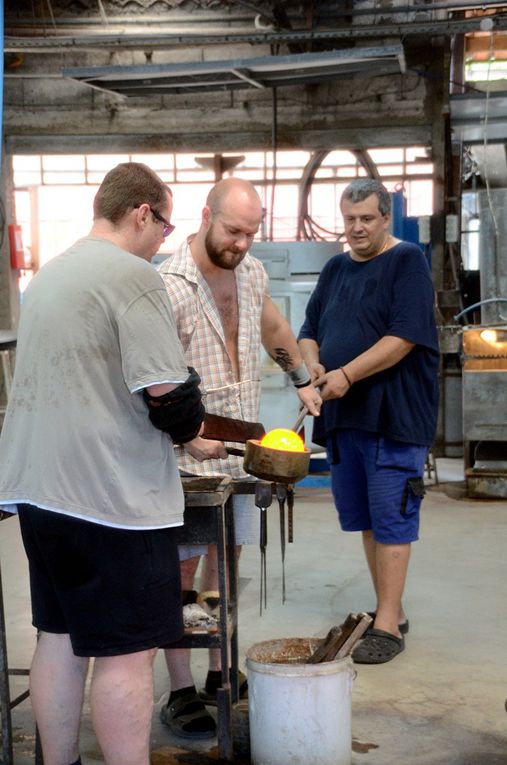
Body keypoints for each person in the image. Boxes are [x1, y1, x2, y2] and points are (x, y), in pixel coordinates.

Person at [0, 162, 226, 765]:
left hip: (37, 491)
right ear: (142, 213)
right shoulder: (135, 277)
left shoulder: (48, 276)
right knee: (128, 653)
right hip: (108, 499)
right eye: (164, 225)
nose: (163, 241)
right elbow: (168, 397)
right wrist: (192, 428)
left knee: (61, 637)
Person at [157, 177, 321, 739]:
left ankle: (219, 673)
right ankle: (179, 691)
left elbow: (272, 325)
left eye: (252, 233)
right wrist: (183, 431)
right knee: (178, 573)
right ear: (205, 215)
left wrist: (300, 377)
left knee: (226, 563)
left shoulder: (250, 271)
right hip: (183, 453)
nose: (242, 243)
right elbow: (150, 376)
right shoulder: (168, 282)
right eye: (233, 230)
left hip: (239, 452)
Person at [298, 178, 439, 665]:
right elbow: (310, 330)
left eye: (367, 219)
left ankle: (387, 626)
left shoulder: (407, 263)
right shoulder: (336, 268)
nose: (357, 228)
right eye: (350, 219)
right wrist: (313, 364)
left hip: (392, 415)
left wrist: (346, 374)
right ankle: (390, 611)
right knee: (366, 517)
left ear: (385, 219)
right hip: (345, 416)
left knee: (393, 515)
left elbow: (402, 338)